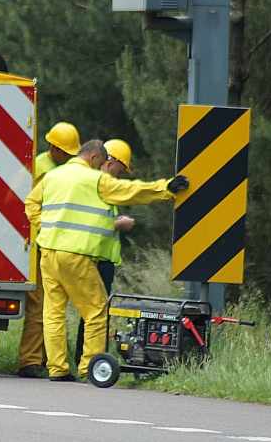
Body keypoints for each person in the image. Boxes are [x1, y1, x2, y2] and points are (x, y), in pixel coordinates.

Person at [24, 139, 188, 381]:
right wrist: (166, 188)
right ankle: (89, 368)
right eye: (100, 162)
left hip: (48, 252)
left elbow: (31, 203)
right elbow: (132, 191)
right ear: (93, 157)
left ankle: (57, 369)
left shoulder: (53, 176)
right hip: (76, 254)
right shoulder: (95, 180)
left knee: (53, 313)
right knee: (97, 311)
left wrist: (46, 226)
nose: (100, 167)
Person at [17, 122, 80, 379]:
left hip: (42, 241)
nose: (69, 158)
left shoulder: (47, 165)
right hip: (37, 241)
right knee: (39, 304)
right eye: (66, 153)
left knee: (47, 303)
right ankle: (30, 361)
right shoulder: (44, 169)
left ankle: (41, 358)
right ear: (53, 148)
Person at [73, 139, 135, 366]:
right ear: (110, 162)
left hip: (101, 258)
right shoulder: (97, 183)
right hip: (95, 258)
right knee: (95, 314)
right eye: (121, 169)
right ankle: (89, 361)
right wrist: (119, 224)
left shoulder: (102, 184)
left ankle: (85, 359)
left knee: (93, 314)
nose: (121, 175)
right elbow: (88, 221)